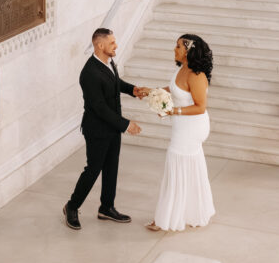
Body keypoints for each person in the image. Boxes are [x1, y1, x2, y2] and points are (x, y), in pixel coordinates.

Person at [63, 28, 147, 231]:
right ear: (99, 45)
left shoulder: (107, 62)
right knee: (93, 170)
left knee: (111, 168)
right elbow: (99, 108)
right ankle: (72, 207)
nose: (115, 46)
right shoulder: (89, 73)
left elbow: (114, 83)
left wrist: (133, 90)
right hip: (98, 130)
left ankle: (106, 207)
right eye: (112, 43)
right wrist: (126, 124)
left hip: (112, 128)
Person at [146, 34, 215, 232]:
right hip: (182, 124)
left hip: (192, 126)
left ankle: (166, 218)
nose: (174, 49)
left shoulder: (196, 75)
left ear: (188, 51)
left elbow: (201, 107)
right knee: (186, 166)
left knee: (175, 163)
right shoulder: (181, 68)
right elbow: (176, 90)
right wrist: (153, 92)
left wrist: (173, 111)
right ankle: (190, 211)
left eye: (178, 46)